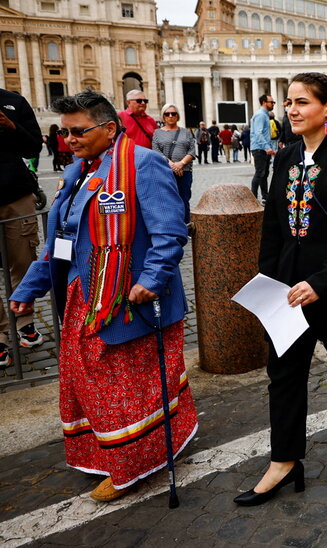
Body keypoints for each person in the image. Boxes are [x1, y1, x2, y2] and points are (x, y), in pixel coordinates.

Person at [9, 90, 197, 502]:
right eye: (64, 131)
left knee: (127, 384)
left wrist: (152, 278)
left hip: (127, 299)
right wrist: (29, 287)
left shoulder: (143, 165)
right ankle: (109, 452)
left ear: (109, 128)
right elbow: (60, 240)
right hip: (82, 296)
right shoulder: (79, 171)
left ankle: (133, 464)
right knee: (90, 383)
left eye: (78, 131)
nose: (69, 138)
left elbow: (170, 231)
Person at [239, 72, 327, 506]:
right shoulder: (283, 158)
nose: (292, 110)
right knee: (283, 376)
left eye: (302, 102)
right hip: (286, 291)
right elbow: (273, 227)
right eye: (288, 102)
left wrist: (320, 283)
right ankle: (284, 461)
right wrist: (268, 278)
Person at [0, 87, 44, 366]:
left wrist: (11, 126)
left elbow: (34, 146)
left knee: (23, 262)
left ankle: (24, 322)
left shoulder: (13, 101)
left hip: (15, 195)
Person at [152, 104, 196, 222]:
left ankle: (185, 226)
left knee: (184, 199)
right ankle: (172, 226)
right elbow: (156, 151)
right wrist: (172, 165)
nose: (170, 116)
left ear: (178, 116)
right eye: (167, 114)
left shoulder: (186, 132)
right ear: (163, 117)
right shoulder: (157, 133)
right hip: (165, 172)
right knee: (167, 200)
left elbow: (192, 151)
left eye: (173, 113)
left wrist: (181, 164)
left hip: (185, 172)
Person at [250, 94, 277, 200]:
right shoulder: (261, 115)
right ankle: (253, 198)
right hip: (259, 148)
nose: (273, 104)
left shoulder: (265, 114)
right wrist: (267, 147)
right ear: (264, 102)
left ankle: (265, 196)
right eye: (271, 102)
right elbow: (258, 133)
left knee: (264, 174)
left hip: (263, 148)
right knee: (259, 173)